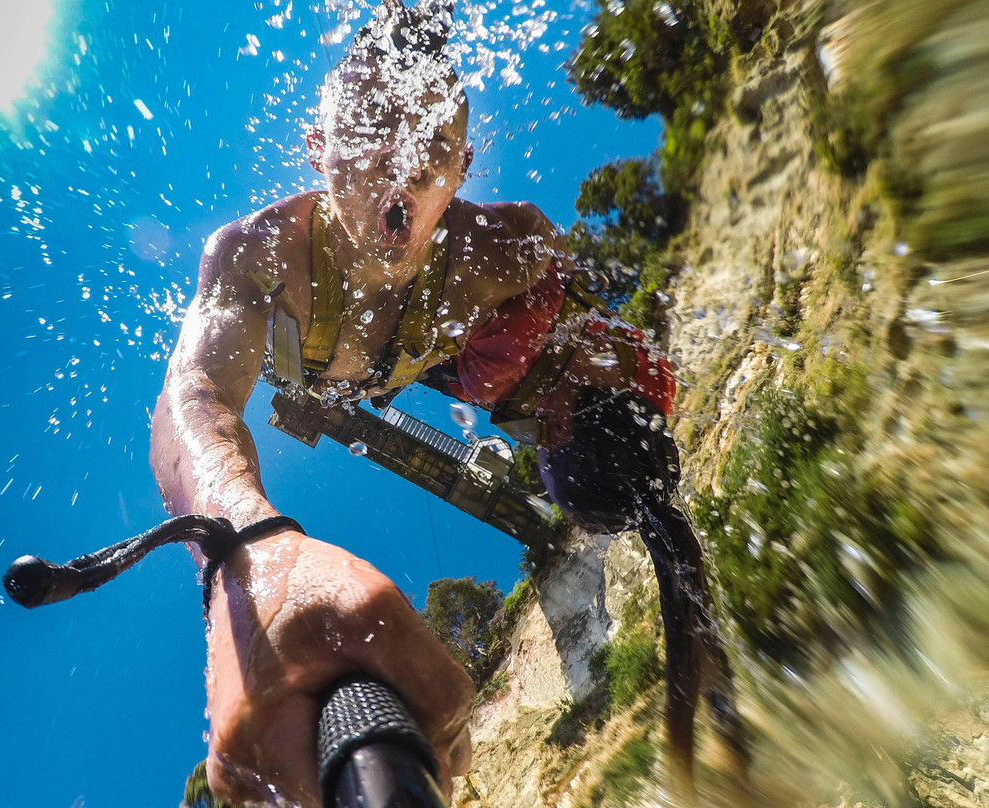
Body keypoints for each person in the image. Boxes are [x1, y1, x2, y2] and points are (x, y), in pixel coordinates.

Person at [150, 1, 744, 804]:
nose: (403, 172)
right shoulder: (258, 257)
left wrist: (598, 394)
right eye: (369, 140)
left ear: (461, 166)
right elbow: (194, 396)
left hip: (456, 355)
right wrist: (248, 544)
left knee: (610, 472)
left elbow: (584, 316)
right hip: (326, 368)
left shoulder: (505, 249)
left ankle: (719, 710)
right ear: (318, 149)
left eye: (430, 148)